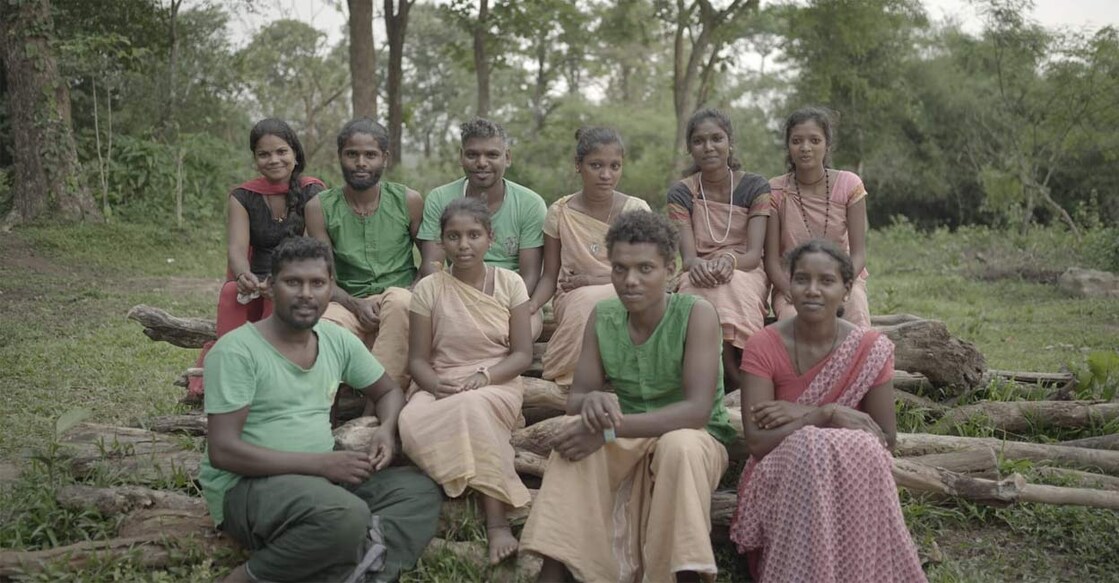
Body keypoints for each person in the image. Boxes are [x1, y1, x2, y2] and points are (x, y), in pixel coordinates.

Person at [200, 237, 442, 583]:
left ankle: (358, 568)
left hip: (320, 484)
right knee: (346, 515)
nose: (306, 294)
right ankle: (249, 577)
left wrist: (386, 429)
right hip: (249, 488)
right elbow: (223, 451)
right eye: (292, 282)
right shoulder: (237, 352)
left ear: (331, 288)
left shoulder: (334, 339)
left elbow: (388, 390)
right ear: (270, 286)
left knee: (417, 490)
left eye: (317, 283)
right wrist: (321, 464)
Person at [521, 211, 736, 583]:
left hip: (697, 438)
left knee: (679, 447)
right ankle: (555, 571)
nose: (630, 280)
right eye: (620, 269)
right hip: (633, 433)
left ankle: (682, 575)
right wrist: (592, 403)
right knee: (575, 437)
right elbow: (578, 397)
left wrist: (609, 429)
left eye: (645, 269)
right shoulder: (604, 316)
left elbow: (696, 412)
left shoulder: (696, 314)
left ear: (670, 270)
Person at [730, 240, 925, 582]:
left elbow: (885, 440)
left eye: (827, 281)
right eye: (802, 279)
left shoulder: (869, 349)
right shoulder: (763, 344)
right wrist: (824, 414)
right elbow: (758, 443)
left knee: (841, 445)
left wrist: (800, 412)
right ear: (788, 286)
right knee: (809, 445)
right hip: (780, 477)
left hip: (852, 480)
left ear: (847, 290)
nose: (812, 290)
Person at [399, 197, 534, 565]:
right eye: (453, 236)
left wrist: (485, 376)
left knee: (472, 408)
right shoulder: (429, 288)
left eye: (474, 235)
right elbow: (417, 360)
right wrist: (433, 384)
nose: (463, 245)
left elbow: (523, 354)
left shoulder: (510, 283)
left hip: (495, 381)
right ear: (441, 241)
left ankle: (497, 522)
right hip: (442, 382)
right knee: (409, 420)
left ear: (491, 238)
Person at [187, 119, 325, 400]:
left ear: (295, 154)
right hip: (255, 276)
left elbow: (311, 249)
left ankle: (268, 378)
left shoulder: (313, 191)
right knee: (230, 292)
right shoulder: (243, 196)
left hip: (296, 277)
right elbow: (237, 249)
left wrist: (278, 281)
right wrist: (243, 276)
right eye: (264, 154)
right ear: (255, 159)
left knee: (279, 295)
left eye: (281, 152)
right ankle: (229, 371)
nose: (273, 160)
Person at [305, 118, 423, 389]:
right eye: (352, 154)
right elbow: (323, 278)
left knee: (400, 303)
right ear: (340, 156)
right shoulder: (319, 207)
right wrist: (355, 304)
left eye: (370, 155)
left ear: (385, 158)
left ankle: (381, 398)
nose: (360, 163)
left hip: (399, 296)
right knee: (322, 328)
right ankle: (323, 404)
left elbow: (431, 261)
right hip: (347, 302)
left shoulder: (408, 201)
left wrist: (412, 291)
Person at [531, 127, 651, 386]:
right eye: (596, 165)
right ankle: (570, 377)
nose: (606, 175)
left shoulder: (636, 210)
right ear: (578, 165)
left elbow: (646, 271)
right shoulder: (560, 212)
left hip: (631, 290)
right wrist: (531, 306)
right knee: (586, 302)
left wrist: (594, 279)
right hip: (572, 297)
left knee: (601, 300)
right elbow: (549, 276)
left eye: (614, 166)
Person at [668, 108, 772, 391]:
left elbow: (753, 256)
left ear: (730, 142)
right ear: (690, 148)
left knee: (733, 286)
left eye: (717, 138)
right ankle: (719, 375)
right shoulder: (681, 192)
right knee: (694, 290)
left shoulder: (755, 186)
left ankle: (738, 374)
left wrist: (728, 260)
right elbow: (688, 259)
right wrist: (701, 266)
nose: (708, 147)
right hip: (699, 269)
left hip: (745, 269)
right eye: (699, 141)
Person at [416, 118, 547, 337]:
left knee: (521, 331)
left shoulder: (530, 204)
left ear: (507, 157)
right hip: (453, 292)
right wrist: (462, 303)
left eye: (492, 155)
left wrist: (495, 305)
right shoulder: (440, 198)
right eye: (472, 155)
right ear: (461, 157)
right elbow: (432, 265)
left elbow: (530, 275)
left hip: (511, 298)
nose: (482, 163)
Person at [766, 107, 871, 328]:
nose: (805, 148)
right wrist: (789, 288)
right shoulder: (775, 190)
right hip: (794, 282)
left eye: (814, 140)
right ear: (788, 146)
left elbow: (859, 254)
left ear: (827, 145)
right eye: (797, 141)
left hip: (842, 279)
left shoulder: (849, 185)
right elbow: (772, 261)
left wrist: (842, 285)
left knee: (855, 310)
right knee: (794, 322)